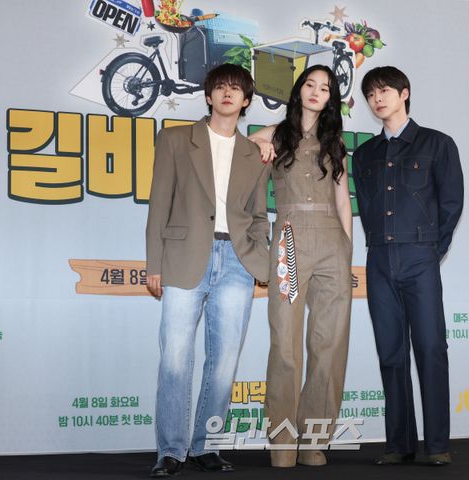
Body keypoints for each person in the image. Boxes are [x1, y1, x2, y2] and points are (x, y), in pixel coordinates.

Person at [145, 63, 270, 477]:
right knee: (175, 358)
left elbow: (257, 216)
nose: (228, 93)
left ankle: (206, 446)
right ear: (208, 95)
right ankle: (171, 450)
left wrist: (260, 260)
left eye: (236, 88)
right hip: (184, 257)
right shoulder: (176, 139)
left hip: (236, 261)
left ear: (246, 100)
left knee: (225, 360)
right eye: (220, 87)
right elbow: (159, 203)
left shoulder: (255, 154)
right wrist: (153, 264)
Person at [352, 66, 463, 466]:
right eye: (370, 94)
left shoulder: (437, 144)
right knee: (390, 351)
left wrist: (431, 251)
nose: (377, 99)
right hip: (379, 258)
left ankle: (437, 445)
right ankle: (399, 444)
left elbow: (451, 203)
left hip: (420, 258)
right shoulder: (364, 154)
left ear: (404, 93)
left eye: (384, 91)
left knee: (431, 348)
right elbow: (366, 207)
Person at [249, 65, 353, 468]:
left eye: (324, 88)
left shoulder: (335, 141)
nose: (316, 92)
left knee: (329, 345)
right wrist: (260, 143)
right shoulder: (277, 134)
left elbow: (343, 201)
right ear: (298, 91)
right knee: (286, 343)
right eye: (310, 84)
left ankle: (314, 441)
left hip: (332, 241)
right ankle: (282, 443)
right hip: (289, 239)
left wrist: (347, 252)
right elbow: (240, 147)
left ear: (330, 99)